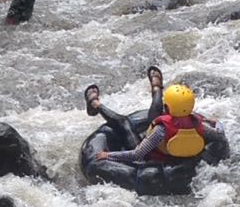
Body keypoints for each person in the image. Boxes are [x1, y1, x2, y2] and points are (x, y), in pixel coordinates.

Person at [84, 68, 218, 165]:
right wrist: (217, 123)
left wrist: (108, 155)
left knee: (123, 122)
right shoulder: (199, 124)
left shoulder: (160, 130)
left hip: (156, 161)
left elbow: (137, 154)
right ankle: (156, 87)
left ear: (167, 108)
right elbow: (219, 135)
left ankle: (95, 103)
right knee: (154, 112)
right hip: (185, 160)